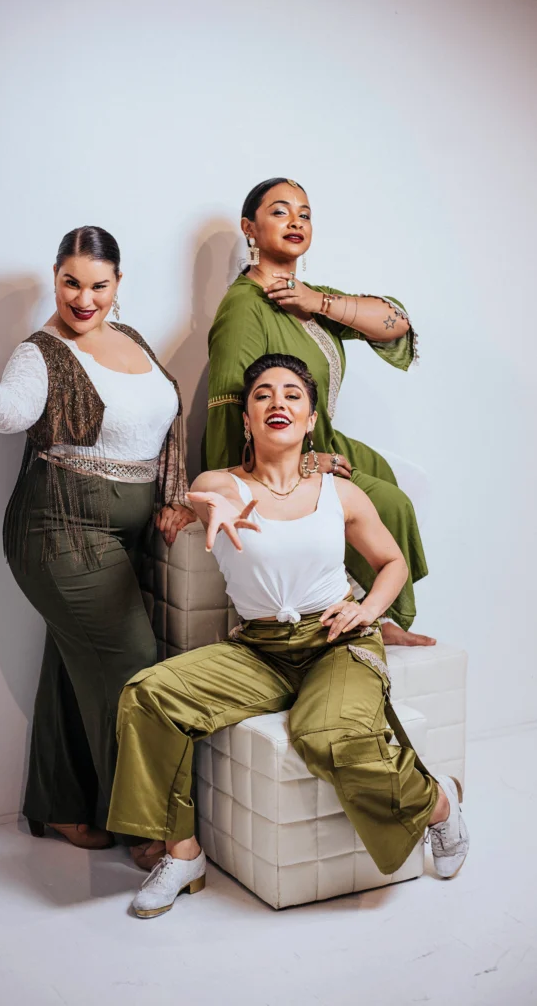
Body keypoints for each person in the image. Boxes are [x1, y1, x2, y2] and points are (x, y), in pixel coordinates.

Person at [107, 354, 468, 918]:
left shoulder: (339, 494)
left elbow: (391, 562)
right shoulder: (220, 484)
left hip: (335, 640)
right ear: (247, 420)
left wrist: (367, 610)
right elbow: (206, 499)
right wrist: (215, 506)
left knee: (329, 736)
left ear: (309, 418)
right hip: (259, 648)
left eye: (292, 395)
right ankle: (182, 853)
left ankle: (438, 803)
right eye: (263, 395)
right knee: (148, 693)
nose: (278, 402)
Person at [0, 226, 194, 866]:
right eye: (71, 282)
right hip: (59, 530)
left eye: (98, 285)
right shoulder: (39, 352)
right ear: (55, 277)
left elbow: (167, 423)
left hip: (125, 535)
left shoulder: (131, 340)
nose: (83, 298)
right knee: (130, 661)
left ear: (118, 284)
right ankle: (148, 827)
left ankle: (67, 806)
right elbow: (11, 413)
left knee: (77, 665)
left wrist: (175, 495)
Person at [205, 177, 433, 645]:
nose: (295, 222)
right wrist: (257, 475)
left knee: (397, 492)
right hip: (286, 458)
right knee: (390, 502)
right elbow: (229, 406)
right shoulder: (245, 307)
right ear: (250, 228)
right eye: (280, 211)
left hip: (329, 441)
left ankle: (372, 614)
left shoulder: (307, 297)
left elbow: (396, 323)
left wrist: (318, 301)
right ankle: (366, 619)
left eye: (305, 214)